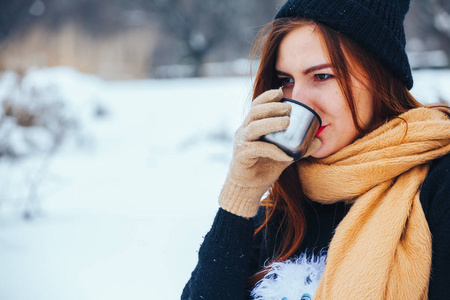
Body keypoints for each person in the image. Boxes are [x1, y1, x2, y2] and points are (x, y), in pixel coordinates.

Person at [182, 0, 450, 299]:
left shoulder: (438, 184)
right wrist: (240, 195)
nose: (299, 101)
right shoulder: (282, 200)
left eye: (322, 76)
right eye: (286, 81)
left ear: (379, 75)